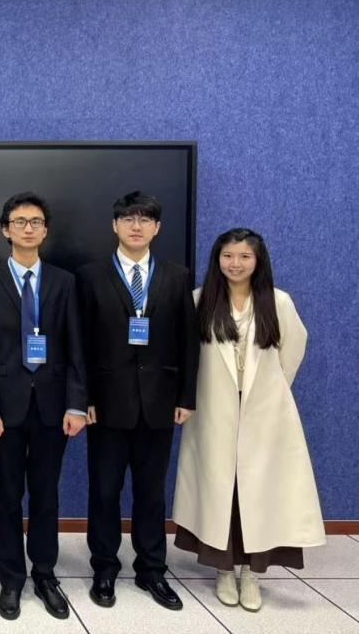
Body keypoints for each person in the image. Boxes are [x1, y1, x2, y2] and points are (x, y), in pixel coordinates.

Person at [173, 228, 324, 611]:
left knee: (258, 491)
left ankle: (252, 575)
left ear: (258, 261)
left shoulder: (278, 301)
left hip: (264, 412)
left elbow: (293, 349)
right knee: (223, 489)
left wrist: (270, 391)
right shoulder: (200, 300)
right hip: (215, 410)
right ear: (217, 259)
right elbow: (187, 355)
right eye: (228, 256)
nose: (235, 264)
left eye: (244, 256)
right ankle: (224, 570)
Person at [77, 191, 198, 611]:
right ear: (114, 225)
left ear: (157, 228)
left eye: (145, 219)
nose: (136, 226)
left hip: (160, 403)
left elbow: (188, 342)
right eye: (128, 218)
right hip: (106, 405)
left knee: (151, 493)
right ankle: (104, 568)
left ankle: (152, 570)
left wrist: (186, 396)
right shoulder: (90, 276)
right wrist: (84, 398)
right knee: (104, 491)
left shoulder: (177, 276)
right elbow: (81, 344)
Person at [0, 192, 88, 621]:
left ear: (46, 230)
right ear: (5, 230)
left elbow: (76, 348)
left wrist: (77, 405)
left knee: (46, 494)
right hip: (4, 410)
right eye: (19, 222)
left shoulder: (64, 281)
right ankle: (11, 578)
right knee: (7, 496)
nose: (28, 228)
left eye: (35, 221)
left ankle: (44, 573)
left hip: (53, 408)